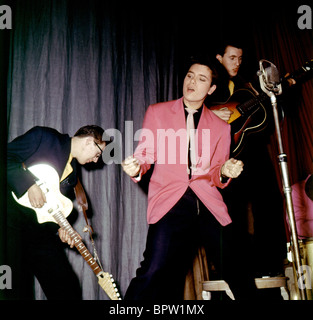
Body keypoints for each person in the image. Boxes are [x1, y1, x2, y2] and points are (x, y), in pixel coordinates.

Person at [121, 58, 257, 300]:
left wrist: (226, 170)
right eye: (190, 75)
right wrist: (136, 167)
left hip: (207, 203)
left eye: (201, 79)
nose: (192, 81)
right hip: (171, 202)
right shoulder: (157, 112)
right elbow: (146, 154)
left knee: (237, 272)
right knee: (152, 270)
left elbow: (216, 172)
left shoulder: (221, 127)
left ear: (212, 89)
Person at [209, 41, 287, 281]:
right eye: (232, 57)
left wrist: (281, 90)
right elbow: (186, 110)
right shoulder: (208, 82)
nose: (237, 63)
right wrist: (211, 113)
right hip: (225, 156)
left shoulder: (246, 84)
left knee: (270, 202)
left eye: (240, 58)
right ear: (219, 57)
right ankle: (234, 267)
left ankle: (270, 264)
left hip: (253, 149)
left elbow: (262, 117)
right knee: (233, 210)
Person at [6, 125, 107, 300]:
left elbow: (52, 207)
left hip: (40, 233)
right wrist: (29, 184)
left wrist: (62, 227)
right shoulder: (44, 137)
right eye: (98, 153)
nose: (96, 160)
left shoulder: (73, 175)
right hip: (10, 222)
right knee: (13, 288)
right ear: (90, 141)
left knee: (67, 287)